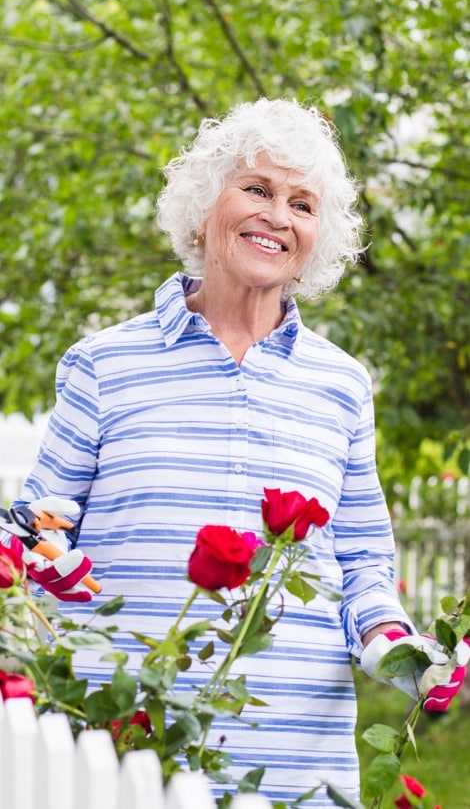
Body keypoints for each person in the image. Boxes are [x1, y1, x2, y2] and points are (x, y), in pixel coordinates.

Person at [9, 98, 469, 807]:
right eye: (256, 189)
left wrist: (397, 648)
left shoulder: (341, 384)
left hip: (293, 760)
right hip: (127, 746)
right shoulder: (104, 363)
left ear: (319, 237)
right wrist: (45, 574)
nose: (278, 216)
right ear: (203, 209)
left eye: (303, 204)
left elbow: (362, 561)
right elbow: (32, 531)